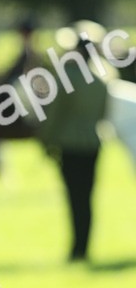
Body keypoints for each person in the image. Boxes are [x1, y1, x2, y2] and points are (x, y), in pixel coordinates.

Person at [38, 28, 109, 262]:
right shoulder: (101, 82)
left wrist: (46, 141)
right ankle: (84, 247)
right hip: (92, 145)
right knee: (87, 198)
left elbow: (56, 115)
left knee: (74, 198)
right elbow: (102, 115)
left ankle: (76, 250)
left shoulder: (67, 77)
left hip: (70, 146)